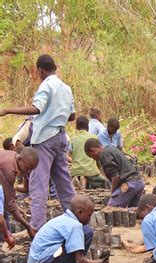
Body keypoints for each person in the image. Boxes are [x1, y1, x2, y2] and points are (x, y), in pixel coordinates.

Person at [0, 54, 76, 233]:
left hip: (45, 138)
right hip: (60, 137)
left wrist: (7, 110)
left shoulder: (46, 85)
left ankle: (38, 230)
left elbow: (37, 108)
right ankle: (76, 222)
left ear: (40, 70)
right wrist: (57, 113)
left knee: (38, 185)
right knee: (64, 183)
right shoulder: (66, 88)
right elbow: (72, 116)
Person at [27, 195, 109, 263]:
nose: (90, 219)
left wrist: (97, 262)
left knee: (86, 230)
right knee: (85, 232)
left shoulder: (64, 219)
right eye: (89, 215)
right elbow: (79, 260)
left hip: (38, 260)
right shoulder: (74, 225)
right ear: (79, 212)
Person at [84, 138, 144, 208]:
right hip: (139, 182)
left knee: (111, 209)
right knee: (132, 211)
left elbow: (115, 175)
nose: (93, 159)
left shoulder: (103, 154)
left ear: (93, 150)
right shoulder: (111, 149)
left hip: (129, 185)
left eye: (91, 156)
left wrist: (113, 193)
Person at [0, 147, 39, 239]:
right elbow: (9, 204)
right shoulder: (9, 170)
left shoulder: (13, 155)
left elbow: (8, 198)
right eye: (27, 168)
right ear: (19, 159)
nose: (28, 171)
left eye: (31, 170)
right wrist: (28, 226)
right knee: (3, 213)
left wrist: (16, 207)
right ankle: (4, 239)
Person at [69, 116, 107, 189]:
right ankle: (84, 181)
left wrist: (74, 161)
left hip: (76, 171)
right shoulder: (94, 137)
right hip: (91, 172)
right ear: (88, 126)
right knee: (105, 182)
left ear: (76, 127)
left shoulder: (73, 139)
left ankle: (80, 180)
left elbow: (68, 154)